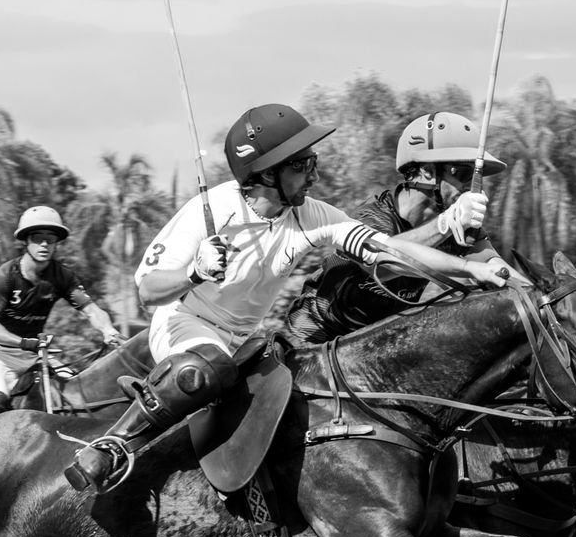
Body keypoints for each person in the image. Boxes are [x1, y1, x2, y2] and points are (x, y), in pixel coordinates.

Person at [64, 102, 512, 492]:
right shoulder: (214, 209)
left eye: (312, 162)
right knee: (208, 367)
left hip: (246, 339)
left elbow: (387, 249)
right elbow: (147, 292)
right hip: (186, 323)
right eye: (302, 165)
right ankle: (112, 447)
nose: (313, 174)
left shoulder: (311, 215)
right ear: (265, 173)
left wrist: (469, 267)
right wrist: (194, 272)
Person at [286, 111, 510, 343]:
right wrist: (445, 225)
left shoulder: (460, 223)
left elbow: (496, 268)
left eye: (475, 178)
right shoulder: (371, 216)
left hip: (374, 343)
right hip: (316, 332)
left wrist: (542, 297)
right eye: (462, 174)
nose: (470, 188)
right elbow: (385, 264)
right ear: (427, 171)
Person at [0, 206, 124, 429]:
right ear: (25, 242)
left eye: (51, 240)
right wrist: (22, 342)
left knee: (76, 390)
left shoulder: (62, 276)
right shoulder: (6, 275)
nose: (44, 245)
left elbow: (91, 310)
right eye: (38, 239)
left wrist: (109, 331)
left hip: (36, 353)